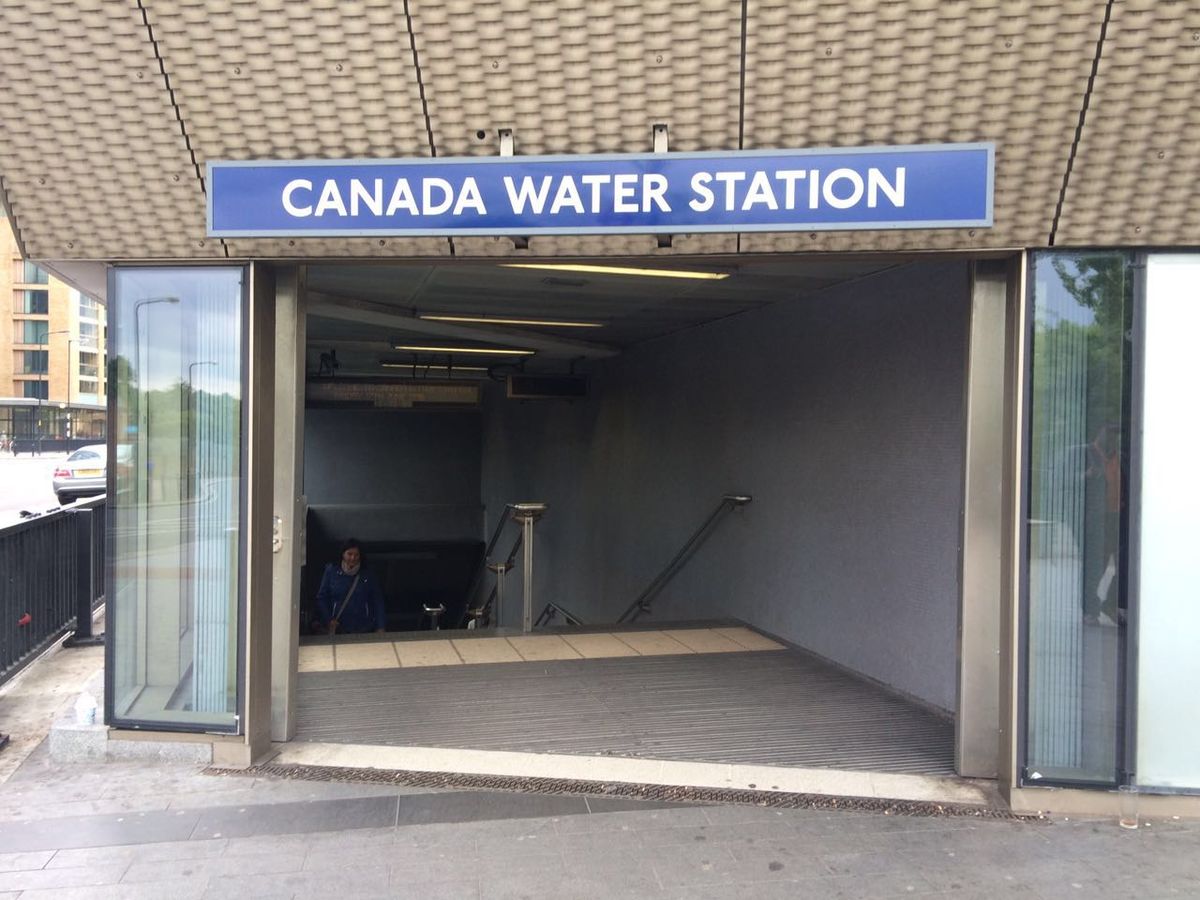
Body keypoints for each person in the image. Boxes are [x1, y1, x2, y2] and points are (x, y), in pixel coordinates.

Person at [315, 538, 387, 634]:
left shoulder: (368, 573)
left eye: (356, 555)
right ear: (343, 554)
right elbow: (322, 598)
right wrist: (328, 619)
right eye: (349, 554)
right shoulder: (331, 570)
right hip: (339, 627)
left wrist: (380, 626)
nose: (353, 558)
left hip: (363, 627)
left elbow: (377, 600)